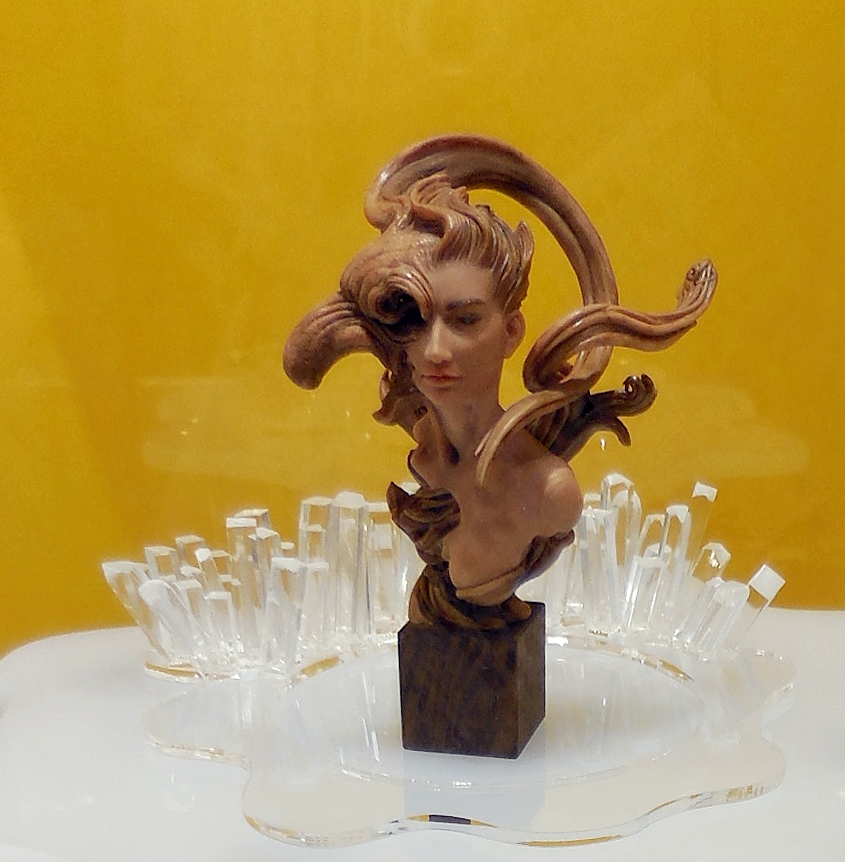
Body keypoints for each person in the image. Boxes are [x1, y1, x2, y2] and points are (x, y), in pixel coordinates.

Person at [284, 136, 714, 629]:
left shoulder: (546, 490)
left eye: (465, 320)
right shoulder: (424, 446)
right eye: (415, 321)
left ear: (511, 331)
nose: (436, 350)